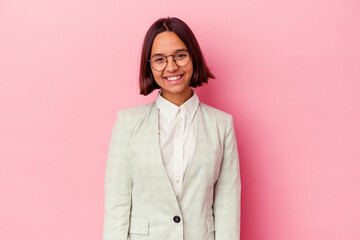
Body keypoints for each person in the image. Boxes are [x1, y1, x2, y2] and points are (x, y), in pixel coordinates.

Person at [103, 17, 241, 240]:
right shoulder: (128, 123)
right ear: (149, 65)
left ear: (193, 57)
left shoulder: (221, 124)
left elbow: (228, 205)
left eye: (180, 55)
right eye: (159, 59)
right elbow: (116, 205)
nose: (171, 67)